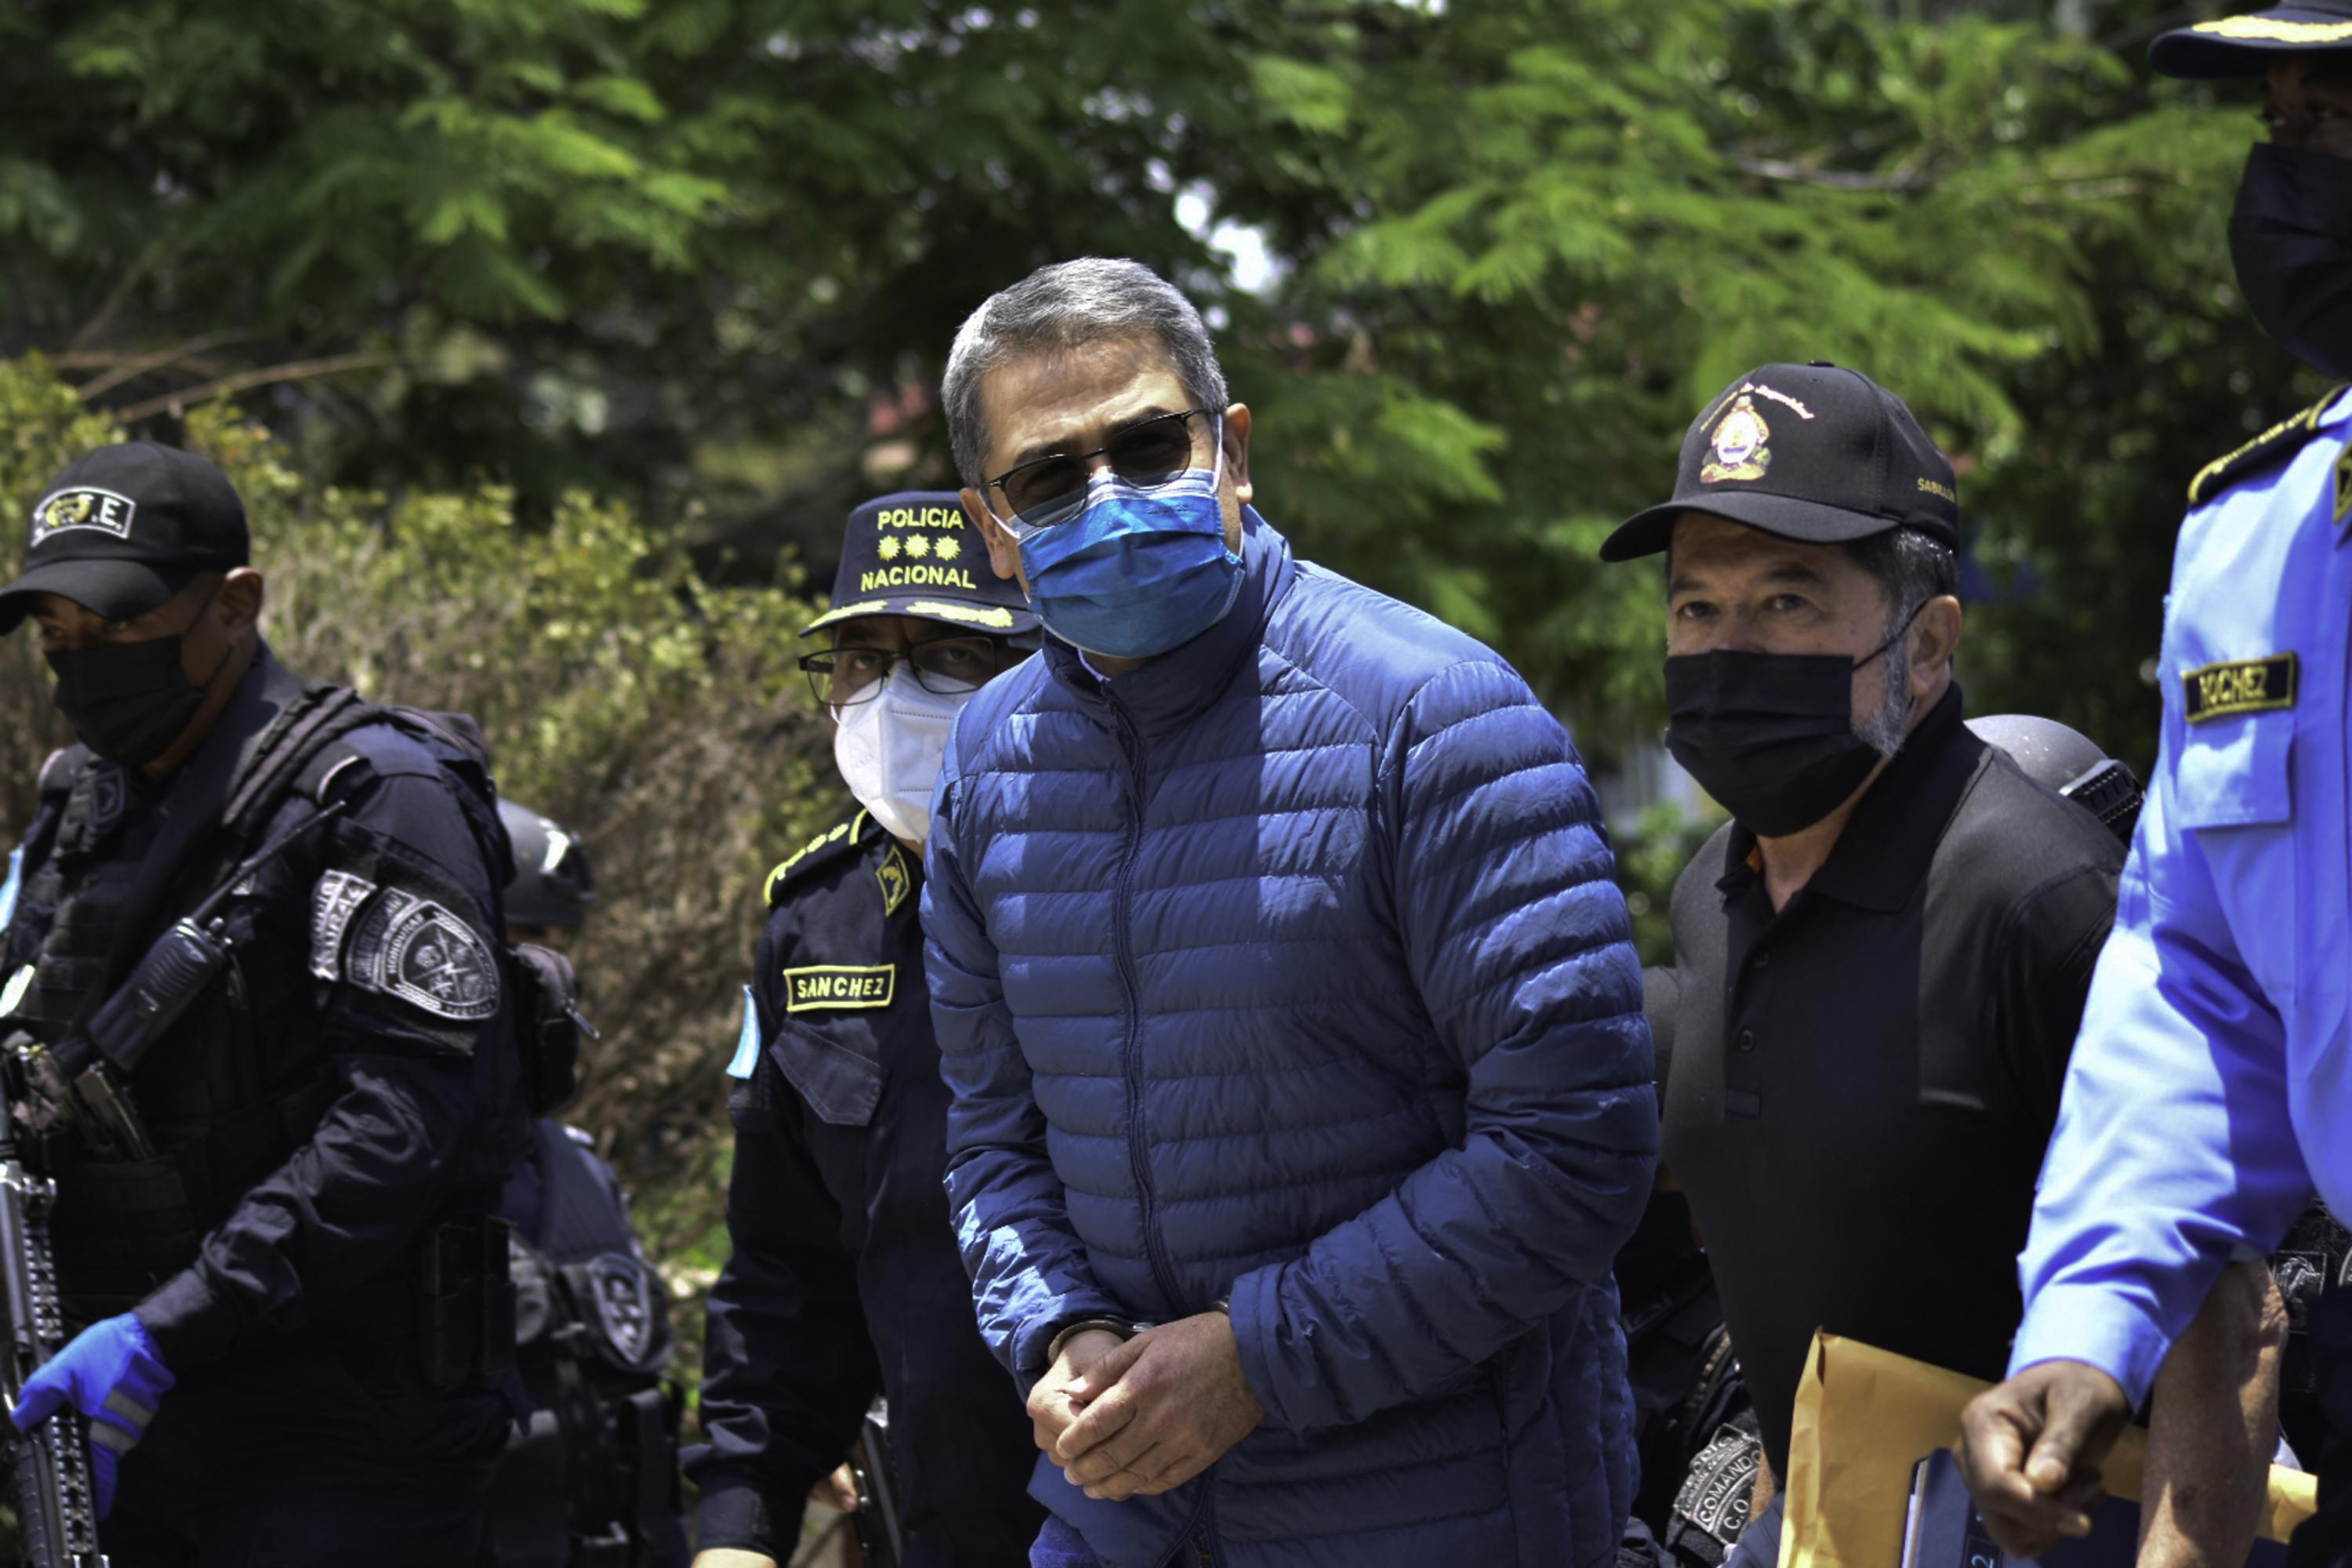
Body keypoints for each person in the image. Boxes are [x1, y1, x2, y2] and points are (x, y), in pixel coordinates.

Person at [924, 257, 1659, 1568]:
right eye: (1048, 477)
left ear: (1233, 452)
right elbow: (991, 1145)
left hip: (1439, 1519)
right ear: (993, 528)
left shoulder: (1438, 722)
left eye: (1149, 445)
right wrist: (1059, 1335)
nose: (1109, 500)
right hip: (1129, 1521)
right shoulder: (988, 764)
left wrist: (1258, 1360)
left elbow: (1576, 1149)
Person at [1595, 362, 2130, 1568]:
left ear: (1928, 644)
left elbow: (2230, 1306)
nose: (1730, 650)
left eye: (1789, 602)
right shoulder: (1711, 897)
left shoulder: (2037, 900)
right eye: (1696, 609)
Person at [1956, 7, 2352, 1559]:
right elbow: (2199, 977)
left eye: (2342, 120)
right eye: (2283, 127)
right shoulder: (2254, 544)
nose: (2296, 178)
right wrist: (2094, 1317)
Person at [0, 441, 528, 1561]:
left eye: (119, 626)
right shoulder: (87, 809)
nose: (83, 662)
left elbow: (403, 1127)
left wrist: (169, 1328)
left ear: (235, 606)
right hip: (128, 1420)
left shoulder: (373, 798)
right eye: (58, 636)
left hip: (337, 1430)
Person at [688, 492, 1047, 1568]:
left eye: (947, 658)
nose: (893, 698)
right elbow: (784, 1272)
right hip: (931, 1525)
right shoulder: (816, 922)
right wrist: (739, 1527)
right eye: (861, 660)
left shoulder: (1143, 890)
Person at [482, 799, 688, 1568]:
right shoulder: (384, 1175)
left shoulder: (579, 1166)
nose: (553, 973)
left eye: (560, 945)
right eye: (527, 939)